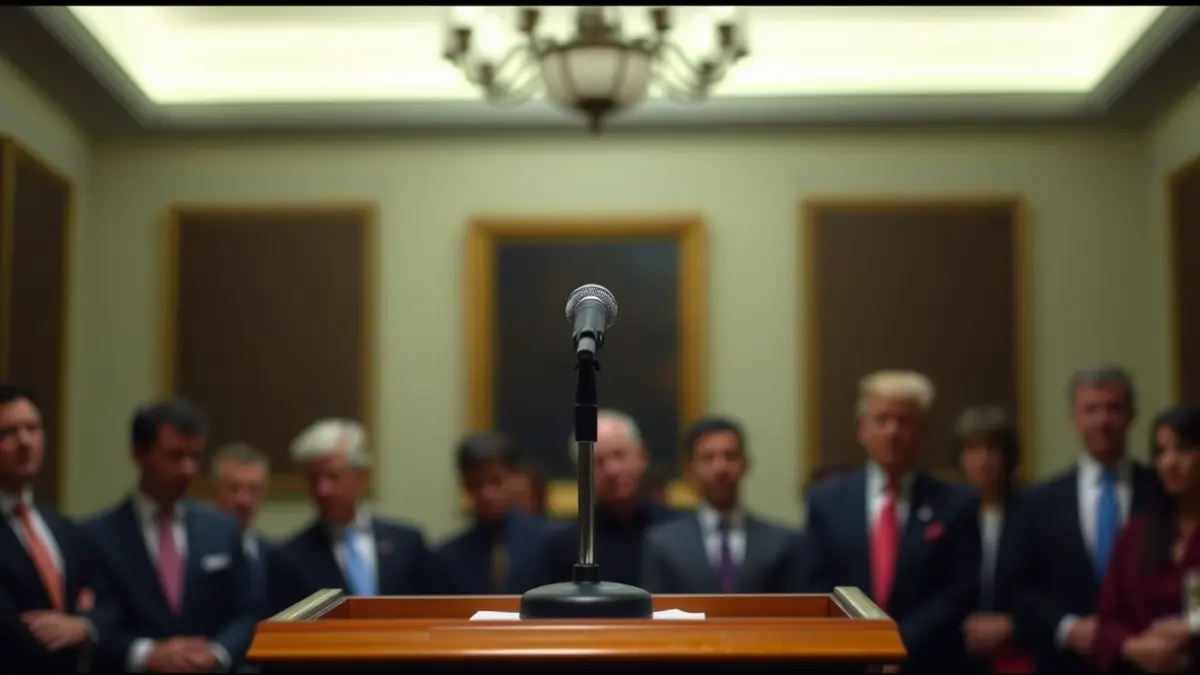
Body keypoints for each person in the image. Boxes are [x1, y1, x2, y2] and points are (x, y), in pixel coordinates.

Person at [805, 370, 979, 671]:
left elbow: (959, 590)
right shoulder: (826, 502)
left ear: (922, 431)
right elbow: (815, 585)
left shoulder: (955, 503)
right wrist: (865, 642)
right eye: (882, 420)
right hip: (848, 657)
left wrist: (899, 641)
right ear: (862, 429)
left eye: (904, 421)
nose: (892, 431)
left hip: (928, 658)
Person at [1004, 365, 1160, 672]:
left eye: (1113, 408)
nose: (1102, 420)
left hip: (1147, 658)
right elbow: (1016, 586)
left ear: (1132, 415)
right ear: (1074, 419)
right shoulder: (1038, 500)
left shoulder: (1160, 492)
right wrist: (1066, 627)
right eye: (1091, 410)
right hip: (1065, 661)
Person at [85, 398, 258, 672]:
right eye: (175, 457)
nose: (188, 469)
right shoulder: (97, 537)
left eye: (195, 457)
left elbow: (247, 613)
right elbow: (93, 625)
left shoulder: (222, 530)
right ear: (139, 453)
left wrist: (218, 652)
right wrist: (145, 654)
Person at [0, 382, 120, 672]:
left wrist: (84, 626)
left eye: (33, 428)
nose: (25, 441)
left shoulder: (63, 527)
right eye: (8, 432)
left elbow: (111, 603)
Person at [642, 415, 810, 594]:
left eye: (730, 456)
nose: (720, 467)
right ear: (690, 470)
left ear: (745, 465)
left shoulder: (782, 543)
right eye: (708, 458)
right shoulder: (663, 543)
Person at [276, 418, 434, 603]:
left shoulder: (407, 544)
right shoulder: (291, 556)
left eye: (333, 476)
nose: (323, 490)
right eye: (314, 479)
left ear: (363, 477)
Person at [1094, 404, 1200, 672]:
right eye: (1161, 452)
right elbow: (1107, 620)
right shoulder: (1136, 532)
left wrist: (1192, 626)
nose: (1169, 462)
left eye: (1183, 449)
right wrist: (1131, 646)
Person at [546, 409, 680, 586]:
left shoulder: (679, 532)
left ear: (642, 455)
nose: (612, 471)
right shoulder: (567, 545)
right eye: (598, 461)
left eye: (619, 455)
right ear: (581, 473)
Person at [953, 406, 1033, 672]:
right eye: (973, 450)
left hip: (1020, 651)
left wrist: (1016, 625)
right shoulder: (946, 517)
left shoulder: (1034, 514)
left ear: (1009, 457)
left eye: (992, 450)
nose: (983, 460)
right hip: (953, 649)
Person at [435, 432, 557, 594]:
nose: (487, 494)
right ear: (463, 485)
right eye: (476, 484)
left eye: (495, 481)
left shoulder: (552, 544)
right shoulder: (447, 557)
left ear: (515, 479)